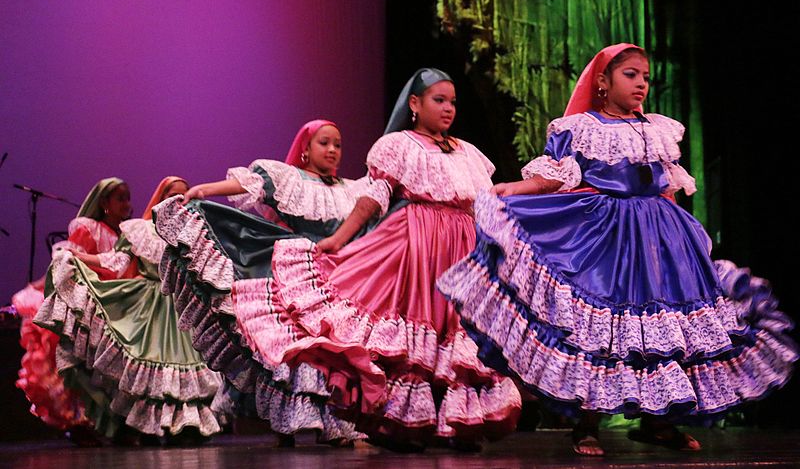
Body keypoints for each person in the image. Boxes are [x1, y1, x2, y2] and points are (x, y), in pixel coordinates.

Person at [437, 44, 798, 456]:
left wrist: (687, 240)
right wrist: (515, 189)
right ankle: (586, 422)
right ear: (603, 83)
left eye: (645, 75)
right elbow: (558, 176)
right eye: (630, 74)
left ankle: (659, 421)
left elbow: (666, 186)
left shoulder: (657, 129)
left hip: (660, 236)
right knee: (603, 330)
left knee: (665, 330)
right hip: (605, 234)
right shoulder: (582, 127)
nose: (641, 83)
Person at [231, 69, 521, 452]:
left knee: (457, 332)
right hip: (417, 241)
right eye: (438, 100)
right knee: (415, 332)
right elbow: (373, 198)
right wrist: (339, 237)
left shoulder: (469, 154)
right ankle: (405, 425)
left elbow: (483, 204)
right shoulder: (399, 145)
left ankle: (454, 423)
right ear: (414, 105)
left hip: (462, 246)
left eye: (452, 101)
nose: (448, 108)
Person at [153, 120, 370, 446]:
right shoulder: (289, 178)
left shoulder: (352, 190)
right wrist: (203, 190)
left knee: (334, 348)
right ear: (306, 149)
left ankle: (335, 421)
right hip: (297, 269)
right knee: (295, 348)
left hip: (339, 274)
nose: (332, 151)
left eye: (338, 145)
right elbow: (249, 184)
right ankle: (289, 420)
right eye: (324, 143)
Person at [34, 177, 226, 445]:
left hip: (182, 307)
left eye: (186, 197)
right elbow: (115, 261)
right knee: (149, 369)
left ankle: (186, 427)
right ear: (160, 197)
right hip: (150, 304)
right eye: (174, 195)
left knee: (188, 368)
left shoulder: (194, 232)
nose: (181, 202)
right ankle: (149, 427)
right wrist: (77, 257)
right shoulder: (141, 230)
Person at [13, 177, 131, 446]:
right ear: (103, 203)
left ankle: (112, 424)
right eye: (120, 198)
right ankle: (80, 423)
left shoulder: (126, 233)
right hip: (90, 307)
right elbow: (67, 264)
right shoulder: (89, 229)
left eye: (127, 198)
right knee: (81, 368)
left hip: (118, 306)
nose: (126, 204)